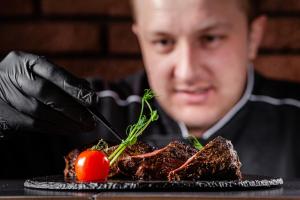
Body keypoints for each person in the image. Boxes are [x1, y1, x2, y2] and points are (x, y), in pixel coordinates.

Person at [0, 0, 299, 179]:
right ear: (140, 38)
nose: (187, 70)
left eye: (210, 38)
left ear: (253, 36)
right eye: (163, 41)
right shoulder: (70, 113)